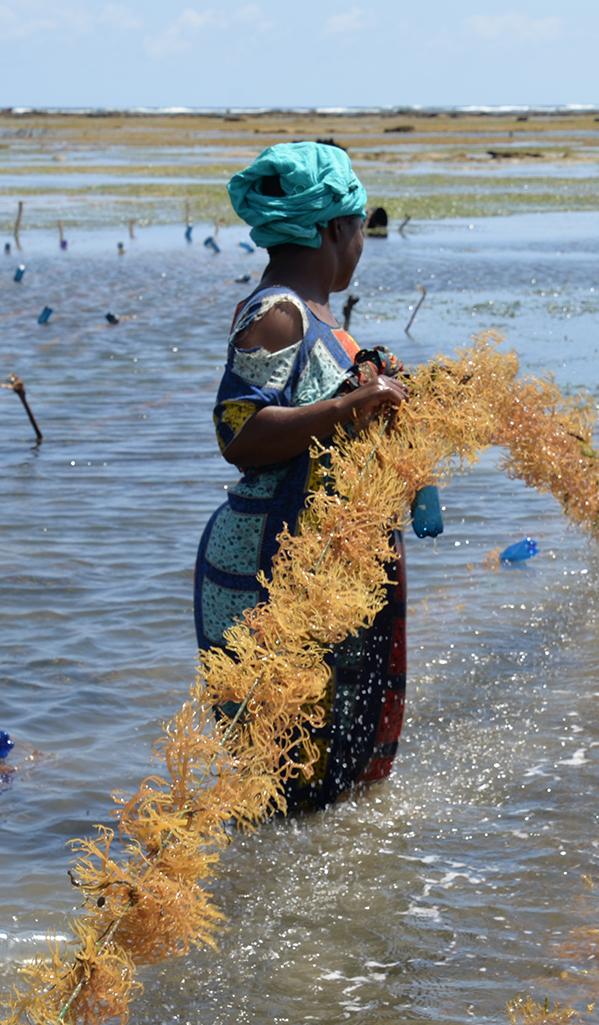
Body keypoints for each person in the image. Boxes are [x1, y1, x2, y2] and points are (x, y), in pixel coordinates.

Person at [194, 142, 408, 811]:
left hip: (318, 565)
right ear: (330, 229)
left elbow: (322, 421)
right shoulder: (278, 313)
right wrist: (353, 404)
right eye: (357, 229)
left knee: (326, 779)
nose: (360, 246)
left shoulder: (319, 320)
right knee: (286, 779)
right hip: (271, 571)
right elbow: (241, 432)